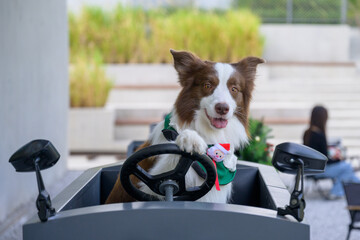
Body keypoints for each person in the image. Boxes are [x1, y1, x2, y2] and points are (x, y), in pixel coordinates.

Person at [303, 105, 360, 199]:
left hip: (309, 168)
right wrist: (339, 160)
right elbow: (325, 160)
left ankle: (356, 188)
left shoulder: (307, 133)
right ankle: (335, 192)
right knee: (347, 167)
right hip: (320, 170)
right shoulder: (319, 135)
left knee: (348, 172)